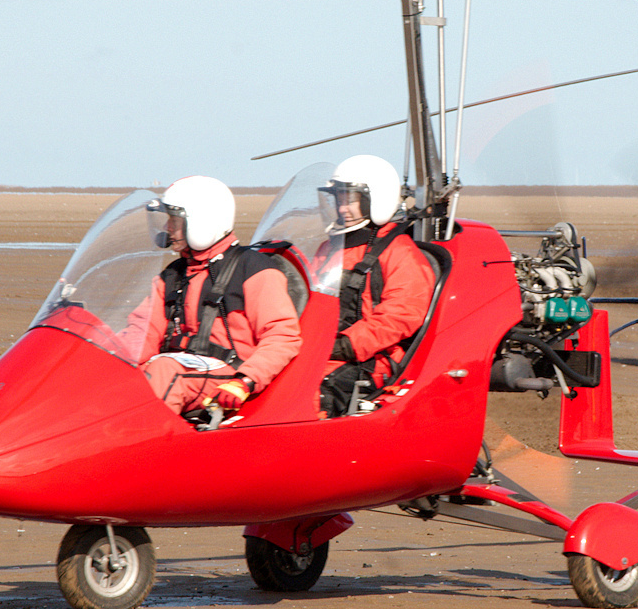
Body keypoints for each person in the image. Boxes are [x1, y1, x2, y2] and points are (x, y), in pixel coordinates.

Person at [122, 176, 302, 428]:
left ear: (201, 221)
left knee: (166, 371)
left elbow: (283, 336)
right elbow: (141, 334)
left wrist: (245, 380)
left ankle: (136, 446)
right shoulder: (173, 275)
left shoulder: (255, 269)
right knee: (119, 380)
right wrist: (109, 361)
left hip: (230, 376)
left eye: (174, 220)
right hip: (180, 368)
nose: (167, 228)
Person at [317, 155, 436, 417]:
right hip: (320, 352)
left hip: (368, 361)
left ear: (375, 200)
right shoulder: (328, 248)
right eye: (338, 198)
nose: (341, 208)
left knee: (311, 400)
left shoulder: (400, 253)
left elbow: (401, 315)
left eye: (350, 199)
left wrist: (345, 346)